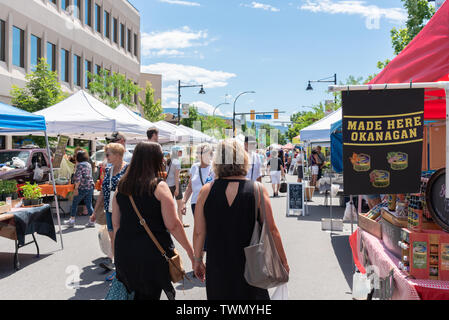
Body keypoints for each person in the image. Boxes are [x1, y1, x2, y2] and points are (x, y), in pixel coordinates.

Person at [192, 139, 289, 300]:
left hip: (217, 263)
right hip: (252, 265)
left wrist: (197, 260)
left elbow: (199, 232)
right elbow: (272, 230)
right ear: (243, 158)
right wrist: (283, 261)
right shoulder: (257, 190)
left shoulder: (206, 191)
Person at [112, 142, 194, 300]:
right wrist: (191, 253)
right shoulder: (158, 186)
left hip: (125, 251)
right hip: (151, 254)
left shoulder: (121, 186)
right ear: (155, 159)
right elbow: (174, 225)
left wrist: (118, 254)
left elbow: (116, 224)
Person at [91, 143, 129, 277]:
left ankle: (126, 266)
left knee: (122, 237)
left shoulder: (128, 169)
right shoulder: (108, 169)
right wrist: (95, 210)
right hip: (109, 208)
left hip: (123, 209)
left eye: (108, 154)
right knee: (113, 237)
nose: (106, 157)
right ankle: (117, 267)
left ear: (118, 155)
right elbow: (102, 191)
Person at [181, 143, 215, 216]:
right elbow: (190, 187)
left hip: (211, 203)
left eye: (202, 152)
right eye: (198, 152)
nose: (199, 155)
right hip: (196, 203)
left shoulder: (215, 167)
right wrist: (183, 202)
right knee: (198, 226)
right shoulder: (194, 167)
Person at [65, 150, 95, 228]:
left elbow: (78, 178)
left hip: (82, 187)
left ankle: (72, 220)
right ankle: (92, 221)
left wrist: (76, 188)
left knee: (75, 203)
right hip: (90, 186)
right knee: (89, 204)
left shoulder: (79, 165)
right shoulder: (88, 164)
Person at [166, 148, 188, 228]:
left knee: (169, 205)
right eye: (180, 151)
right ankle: (180, 223)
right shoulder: (177, 162)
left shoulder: (169, 160)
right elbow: (176, 176)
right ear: (176, 152)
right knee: (179, 205)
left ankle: (170, 223)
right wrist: (177, 188)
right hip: (175, 185)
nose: (181, 152)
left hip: (168, 185)